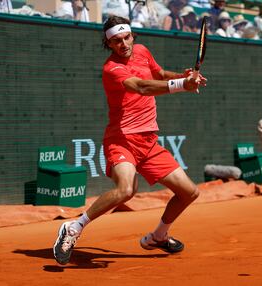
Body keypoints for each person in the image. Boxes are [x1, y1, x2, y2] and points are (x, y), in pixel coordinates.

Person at [53, 15, 207, 265]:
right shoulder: (111, 69)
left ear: (133, 36)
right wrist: (182, 85)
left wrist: (183, 75)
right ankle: (74, 227)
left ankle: (158, 236)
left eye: (127, 37)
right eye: (116, 41)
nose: (123, 44)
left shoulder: (143, 51)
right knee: (127, 189)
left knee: (189, 192)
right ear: (109, 44)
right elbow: (143, 87)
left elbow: (159, 74)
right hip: (122, 139)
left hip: (148, 141)